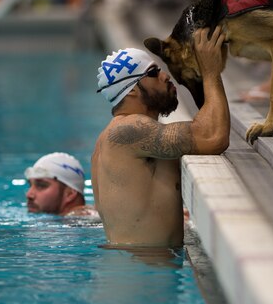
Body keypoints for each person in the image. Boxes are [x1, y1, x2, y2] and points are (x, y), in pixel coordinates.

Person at [92, 27, 229, 249]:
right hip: (144, 274)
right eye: (153, 73)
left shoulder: (106, 139)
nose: (165, 75)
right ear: (132, 90)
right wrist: (211, 71)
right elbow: (213, 135)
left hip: (139, 269)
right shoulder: (129, 130)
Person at [25, 152, 97, 216]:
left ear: (70, 193)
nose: (29, 195)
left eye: (41, 186)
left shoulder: (87, 218)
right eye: (30, 185)